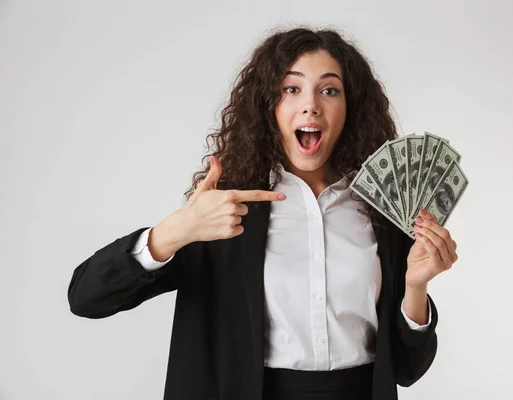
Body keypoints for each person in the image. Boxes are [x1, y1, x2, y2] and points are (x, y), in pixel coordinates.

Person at [68, 26, 459, 400]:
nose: (311, 105)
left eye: (329, 90)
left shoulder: (382, 214)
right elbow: (87, 297)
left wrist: (416, 288)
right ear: (267, 106)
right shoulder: (224, 212)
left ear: (350, 108)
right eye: (291, 89)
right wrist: (175, 230)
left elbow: (408, 369)